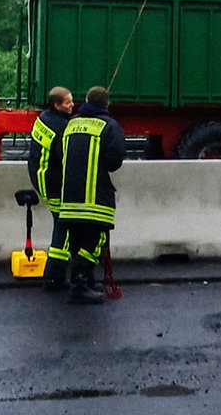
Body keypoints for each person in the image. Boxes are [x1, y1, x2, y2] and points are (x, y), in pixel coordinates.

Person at [59, 86, 126, 304]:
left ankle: (86, 281)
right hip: (95, 200)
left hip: (69, 199)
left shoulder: (71, 124)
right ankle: (79, 285)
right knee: (93, 244)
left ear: (86, 100)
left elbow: (61, 154)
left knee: (76, 242)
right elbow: (114, 162)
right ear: (107, 104)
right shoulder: (110, 126)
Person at [27, 86, 75, 290]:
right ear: (57, 105)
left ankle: (55, 273)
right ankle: (55, 276)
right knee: (63, 225)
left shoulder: (44, 118)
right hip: (52, 182)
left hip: (40, 176)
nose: (72, 104)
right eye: (68, 102)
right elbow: (66, 157)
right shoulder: (61, 128)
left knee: (61, 223)